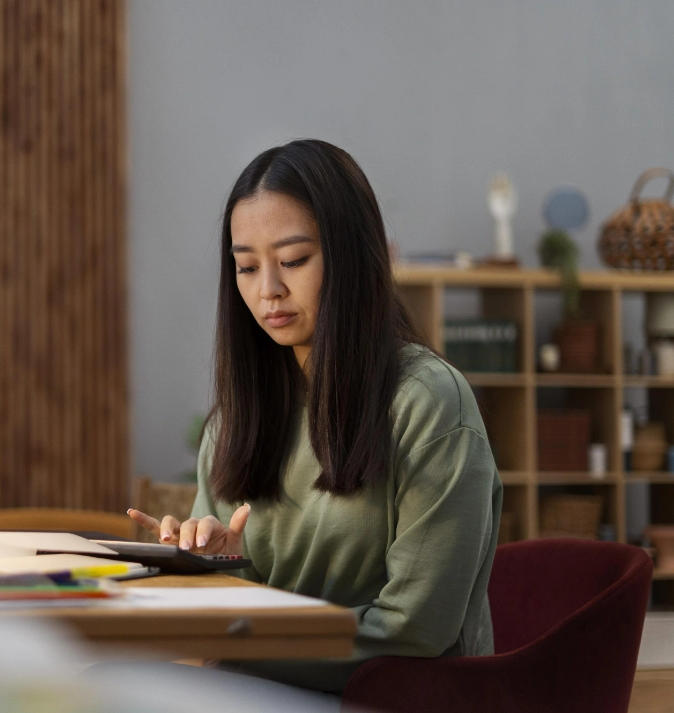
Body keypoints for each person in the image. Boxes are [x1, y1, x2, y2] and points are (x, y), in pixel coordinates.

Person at [128, 139, 503, 694]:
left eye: (294, 261)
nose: (268, 291)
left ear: (351, 256)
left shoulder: (427, 403)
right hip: (265, 689)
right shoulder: (236, 422)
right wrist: (216, 563)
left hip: (395, 699)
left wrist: (245, 653)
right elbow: (234, 606)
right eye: (247, 267)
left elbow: (418, 627)